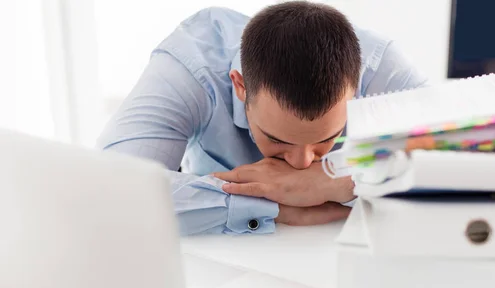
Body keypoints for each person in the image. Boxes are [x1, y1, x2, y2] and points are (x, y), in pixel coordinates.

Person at [96, 1, 427, 235]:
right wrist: (277, 207)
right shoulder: (190, 65)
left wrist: (338, 181)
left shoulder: (380, 68)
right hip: (217, 254)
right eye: (278, 139)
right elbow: (114, 190)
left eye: (325, 139)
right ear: (240, 86)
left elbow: (471, 151)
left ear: (355, 91)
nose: (301, 164)